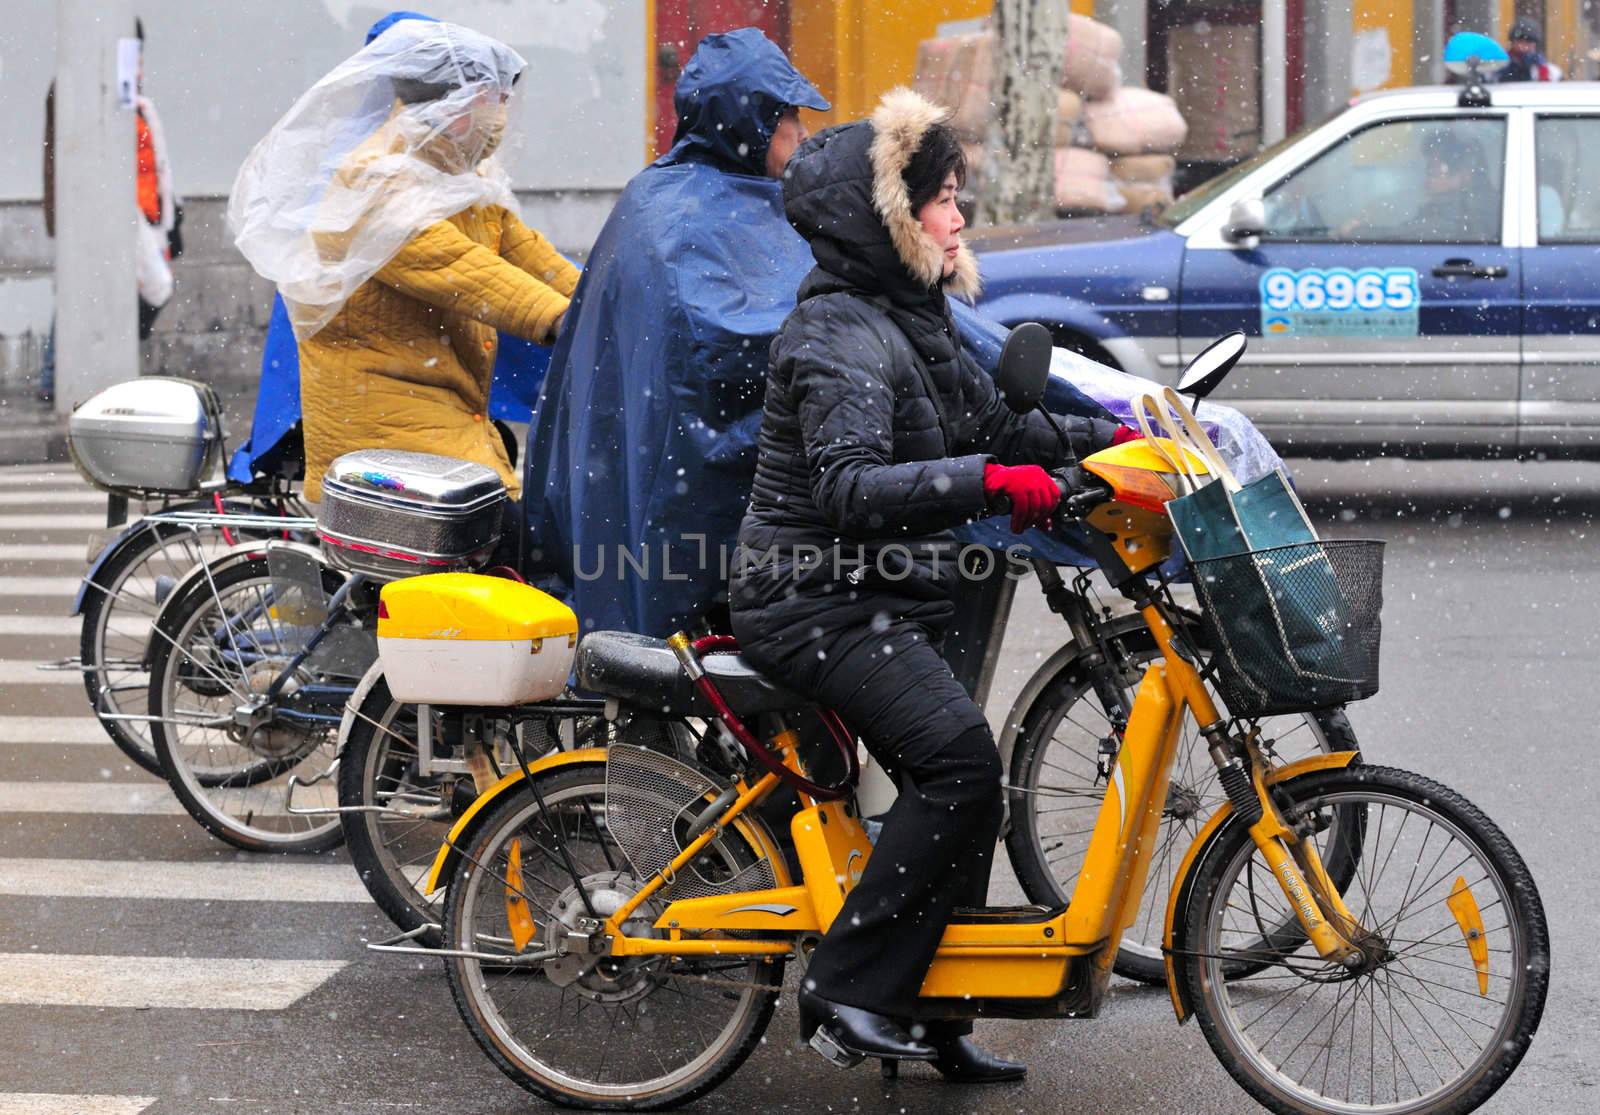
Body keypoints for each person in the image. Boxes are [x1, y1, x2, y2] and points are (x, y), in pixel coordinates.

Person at [729, 88, 1130, 1076]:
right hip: (812, 597)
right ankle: (845, 989)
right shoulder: (836, 333)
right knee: (959, 770)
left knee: (965, 783)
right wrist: (992, 482)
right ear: (888, 219)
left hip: (871, 595)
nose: (958, 217)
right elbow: (853, 486)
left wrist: (1114, 442)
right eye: (942, 198)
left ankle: (930, 1005)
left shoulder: (912, 315)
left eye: (958, 196)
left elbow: (996, 427)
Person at [228, 20, 578, 522]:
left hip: (436, 409)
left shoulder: (462, 184)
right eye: (492, 99)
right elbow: (458, 265)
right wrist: (561, 318)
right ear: (453, 110)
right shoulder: (375, 181)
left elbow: (538, 261)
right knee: (506, 539)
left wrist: (610, 300)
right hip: (385, 423)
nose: (501, 115)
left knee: (514, 538)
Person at [40, 17, 180, 404]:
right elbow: (64, 158)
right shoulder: (83, 91)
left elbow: (155, 164)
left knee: (96, 288)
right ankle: (60, 374)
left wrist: (167, 217)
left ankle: (67, 371)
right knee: (84, 289)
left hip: (135, 213)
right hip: (105, 211)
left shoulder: (130, 100)